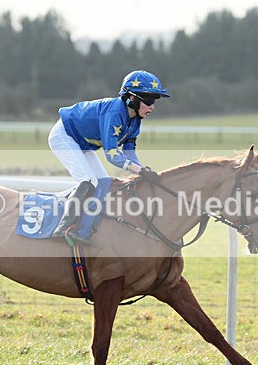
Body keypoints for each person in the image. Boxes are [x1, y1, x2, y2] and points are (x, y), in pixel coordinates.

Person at [48, 69, 170, 242]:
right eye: (149, 101)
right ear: (132, 98)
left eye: (154, 101)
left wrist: (142, 171)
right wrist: (139, 171)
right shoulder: (115, 113)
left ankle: (85, 230)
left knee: (104, 183)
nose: (152, 107)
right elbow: (112, 154)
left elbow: (129, 153)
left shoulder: (135, 121)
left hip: (81, 143)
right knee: (88, 181)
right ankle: (63, 229)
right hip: (64, 136)